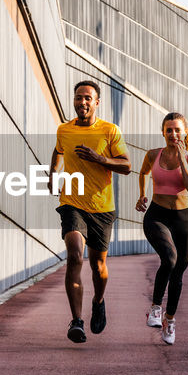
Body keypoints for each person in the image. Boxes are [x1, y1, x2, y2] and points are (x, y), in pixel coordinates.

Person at [50, 81, 131, 344]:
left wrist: (100, 159)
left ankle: (98, 300)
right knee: (75, 257)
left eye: (87, 98)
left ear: (97, 102)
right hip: (72, 203)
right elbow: (58, 150)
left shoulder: (110, 130)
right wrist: (53, 174)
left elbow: (127, 165)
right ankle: (76, 321)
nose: (82, 102)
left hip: (102, 209)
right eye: (78, 97)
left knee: (99, 267)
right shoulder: (64, 129)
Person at [135, 112, 188, 345]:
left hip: (183, 218)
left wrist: (183, 159)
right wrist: (142, 195)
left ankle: (169, 320)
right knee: (169, 259)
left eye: (177, 130)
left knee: (178, 272)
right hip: (157, 215)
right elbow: (142, 172)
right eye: (169, 130)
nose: (173, 134)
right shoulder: (153, 154)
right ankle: (155, 308)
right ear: (163, 132)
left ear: (185, 132)